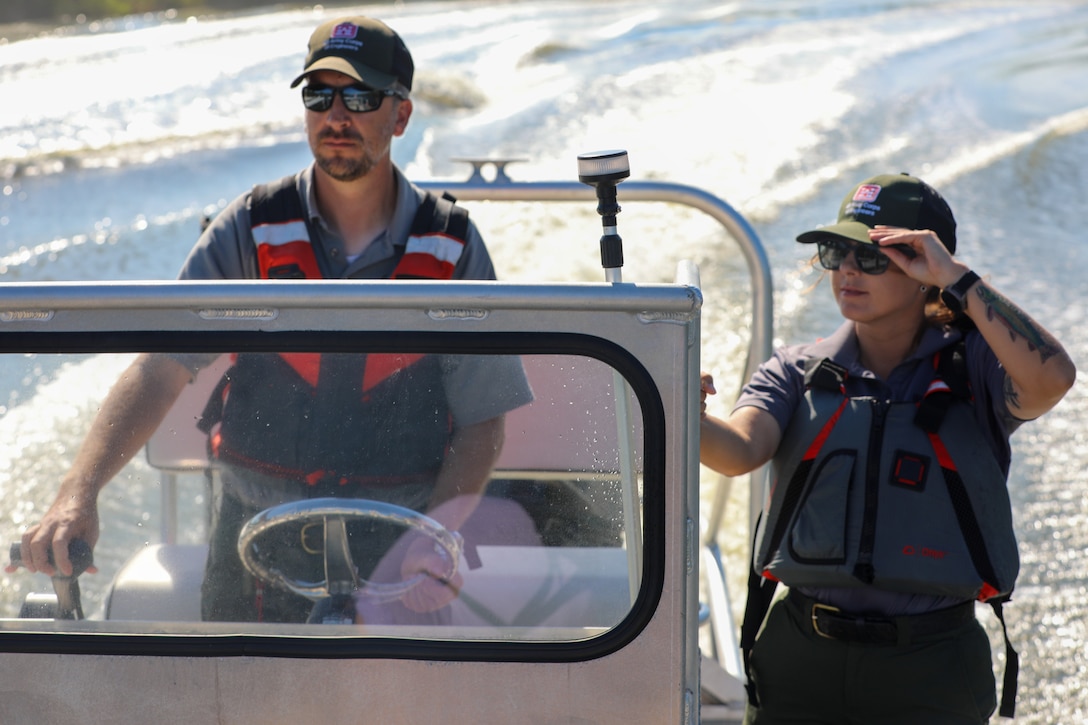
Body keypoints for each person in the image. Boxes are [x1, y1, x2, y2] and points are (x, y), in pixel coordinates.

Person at [13, 16, 533, 623]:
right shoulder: (251, 229)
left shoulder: (452, 246)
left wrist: (433, 539)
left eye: (360, 97)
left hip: (402, 550)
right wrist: (78, 492)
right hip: (250, 543)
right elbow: (161, 367)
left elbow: (481, 424)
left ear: (401, 116)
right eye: (319, 95)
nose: (336, 116)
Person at [700, 173, 1076, 724]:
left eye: (875, 256)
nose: (849, 269)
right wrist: (680, 404)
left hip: (932, 664)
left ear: (924, 266)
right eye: (836, 252)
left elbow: (1055, 378)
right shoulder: (794, 371)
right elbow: (737, 451)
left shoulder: (976, 372)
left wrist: (956, 278)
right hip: (801, 655)